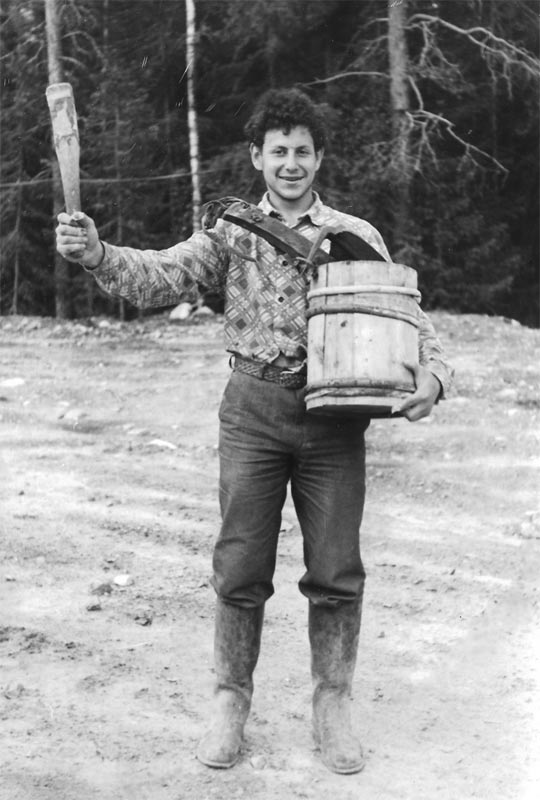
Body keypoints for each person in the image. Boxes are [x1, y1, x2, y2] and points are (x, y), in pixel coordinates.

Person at [56, 88, 453, 775]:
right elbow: (161, 276)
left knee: (336, 570)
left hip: (336, 419)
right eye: (278, 151)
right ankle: (230, 702)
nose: (291, 163)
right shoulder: (232, 233)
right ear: (256, 158)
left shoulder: (355, 234)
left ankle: (332, 705)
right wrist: (97, 253)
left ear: (319, 158)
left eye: (302, 151)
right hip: (251, 413)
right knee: (240, 567)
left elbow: (408, 316)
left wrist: (435, 377)